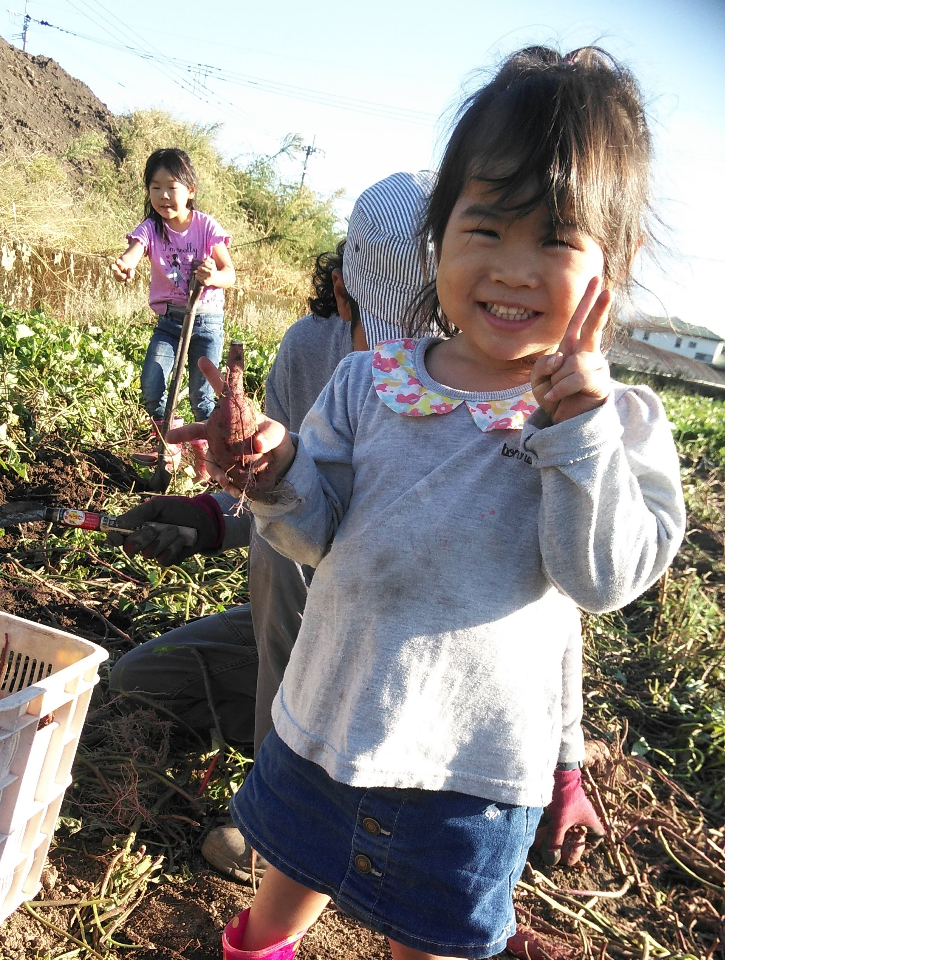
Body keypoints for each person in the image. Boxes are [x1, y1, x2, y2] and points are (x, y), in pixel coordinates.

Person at [179, 46, 687, 960]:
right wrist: (273, 465)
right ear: (440, 234)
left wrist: (577, 429)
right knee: (278, 899)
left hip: (473, 774)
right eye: (486, 227)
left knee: (434, 945)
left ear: (619, 261)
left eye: (557, 240)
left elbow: (601, 578)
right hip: (324, 722)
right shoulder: (368, 385)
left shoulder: (621, 426)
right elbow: (315, 534)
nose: (515, 269)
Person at [106, 171, 437, 882]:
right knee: (140, 684)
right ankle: (301, 740)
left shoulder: (457, 391)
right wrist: (201, 517)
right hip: (300, 633)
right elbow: (275, 502)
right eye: (381, 329)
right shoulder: (310, 347)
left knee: (283, 566)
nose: (396, 357)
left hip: (391, 654)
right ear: (345, 287)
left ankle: (284, 813)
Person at [111, 147, 235, 424]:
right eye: (155, 188)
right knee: (152, 386)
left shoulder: (206, 227)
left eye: (171, 187)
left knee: (201, 399)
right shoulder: (152, 228)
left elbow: (229, 274)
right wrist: (124, 265)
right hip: (168, 323)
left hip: (207, 324)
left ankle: (205, 461)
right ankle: (169, 445)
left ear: (190, 190)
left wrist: (211, 278)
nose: (163, 195)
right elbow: (134, 250)